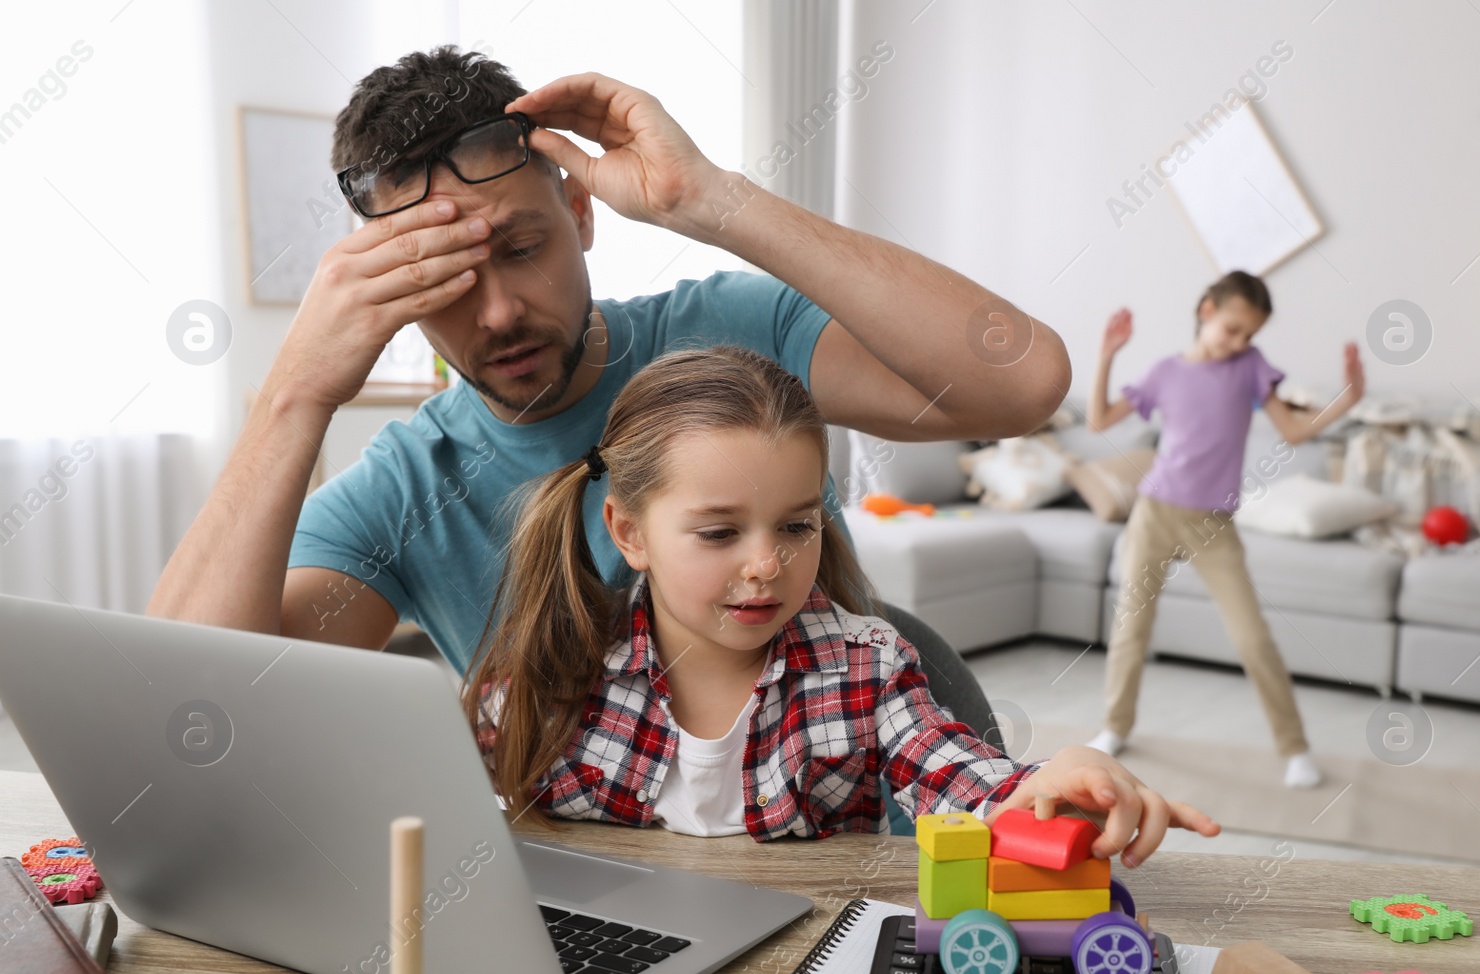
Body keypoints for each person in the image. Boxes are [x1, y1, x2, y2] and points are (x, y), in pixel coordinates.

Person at [146, 47, 1071, 738]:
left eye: (520, 248)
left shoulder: (734, 331)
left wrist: (714, 201)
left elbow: (1022, 383)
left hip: (836, 831)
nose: (501, 310)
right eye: (446, 278)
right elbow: (192, 712)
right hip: (614, 875)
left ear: (581, 214)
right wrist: (294, 394)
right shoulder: (406, 489)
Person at [469, 344, 1220, 860]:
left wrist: (1046, 787)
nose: (767, 563)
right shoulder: (553, 664)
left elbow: (958, 776)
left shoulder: (866, 666)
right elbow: (447, 809)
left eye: (798, 526)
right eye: (720, 531)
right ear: (629, 531)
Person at [1086, 271, 1366, 788]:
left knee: (1252, 639)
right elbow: (1099, 420)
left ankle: (1295, 748)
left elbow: (1293, 431)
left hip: (1212, 524)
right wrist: (1107, 354)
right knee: (1130, 629)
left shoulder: (1249, 369)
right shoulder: (1165, 372)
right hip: (1155, 512)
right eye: (1233, 328)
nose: (1239, 342)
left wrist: (1347, 399)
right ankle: (1114, 727)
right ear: (1207, 309)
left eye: (1249, 335)